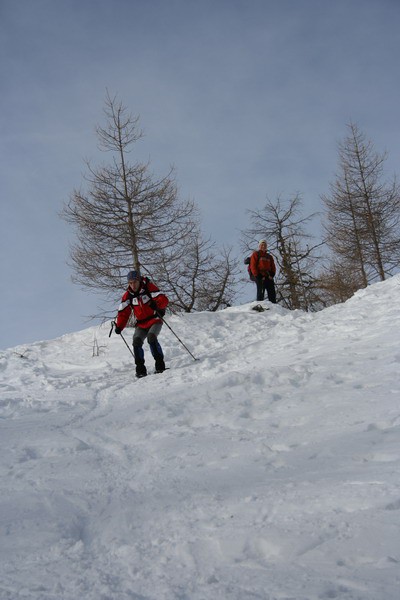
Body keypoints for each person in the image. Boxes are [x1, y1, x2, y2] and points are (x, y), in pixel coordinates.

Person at [114, 270, 169, 377]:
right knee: (136, 341)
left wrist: (156, 305)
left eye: (134, 282)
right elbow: (123, 313)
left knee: (151, 337)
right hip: (141, 324)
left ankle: (160, 365)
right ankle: (140, 369)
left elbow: (163, 299)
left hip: (154, 319)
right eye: (130, 283)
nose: (132, 285)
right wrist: (119, 326)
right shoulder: (127, 295)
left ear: (139, 280)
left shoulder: (148, 287)